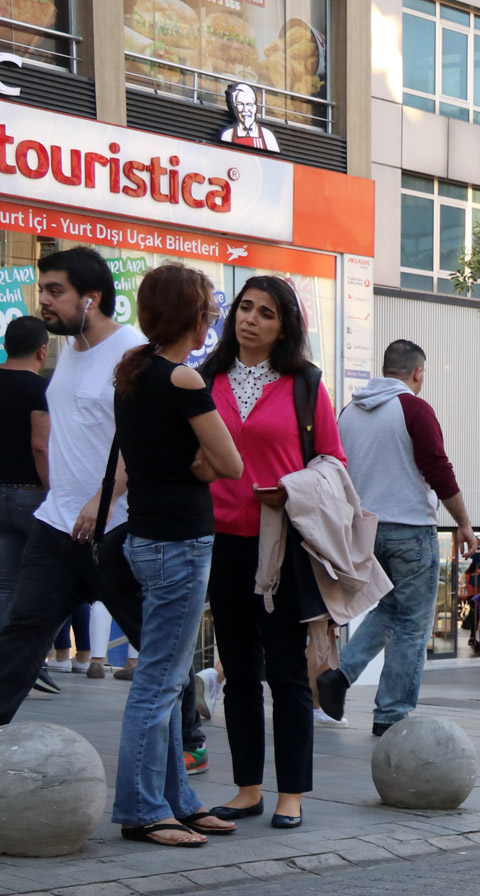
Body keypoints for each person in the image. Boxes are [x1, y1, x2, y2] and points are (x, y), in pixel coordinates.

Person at [200, 274, 346, 830]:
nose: (250, 319)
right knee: (237, 671)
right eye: (244, 308)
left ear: (284, 325)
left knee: (286, 672)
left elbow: (333, 460)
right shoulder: (205, 378)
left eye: (265, 312)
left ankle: (292, 794)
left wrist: (290, 487)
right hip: (217, 541)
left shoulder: (304, 384)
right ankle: (246, 788)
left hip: (281, 543)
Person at [108, 263, 244, 846]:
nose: (214, 313)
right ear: (195, 316)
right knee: (160, 683)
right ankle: (143, 808)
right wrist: (204, 463)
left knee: (169, 676)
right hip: (179, 544)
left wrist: (198, 460)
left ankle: (175, 800)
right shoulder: (182, 380)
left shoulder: (133, 374)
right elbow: (233, 464)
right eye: (209, 305)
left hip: (146, 538)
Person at [0, 249, 149, 725]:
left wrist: (104, 501)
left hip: (114, 530)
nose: (43, 300)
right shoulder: (67, 351)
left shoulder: (132, 350)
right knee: (22, 631)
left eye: (55, 291)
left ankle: (189, 736)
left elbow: (144, 439)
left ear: (92, 298)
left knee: (152, 638)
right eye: (43, 289)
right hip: (55, 523)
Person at [315, 339, 472, 734]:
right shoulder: (414, 409)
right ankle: (391, 714)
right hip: (410, 532)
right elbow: (437, 469)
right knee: (413, 624)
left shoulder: (349, 412)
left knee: (388, 610)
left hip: (364, 531)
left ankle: (340, 675)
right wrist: (465, 523)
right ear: (418, 372)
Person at [0, 316, 49, 635]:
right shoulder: (41, 388)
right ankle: (29, 657)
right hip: (31, 494)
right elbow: (40, 445)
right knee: (47, 579)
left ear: (5, 346)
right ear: (42, 352)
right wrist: (53, 490)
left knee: (5, 585)